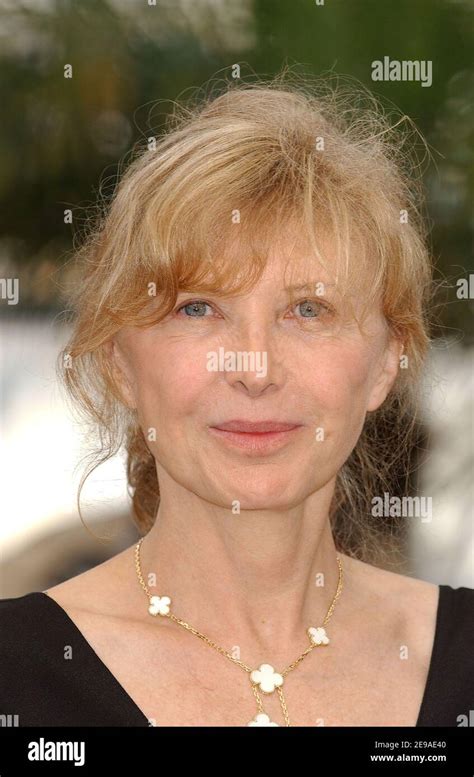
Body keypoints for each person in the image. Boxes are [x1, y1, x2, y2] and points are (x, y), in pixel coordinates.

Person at [1, 74, 472, 727]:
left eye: (308, 309)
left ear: (387, 361)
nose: (253, 367)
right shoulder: (15, 680)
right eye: (198, 308)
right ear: (119, 361)